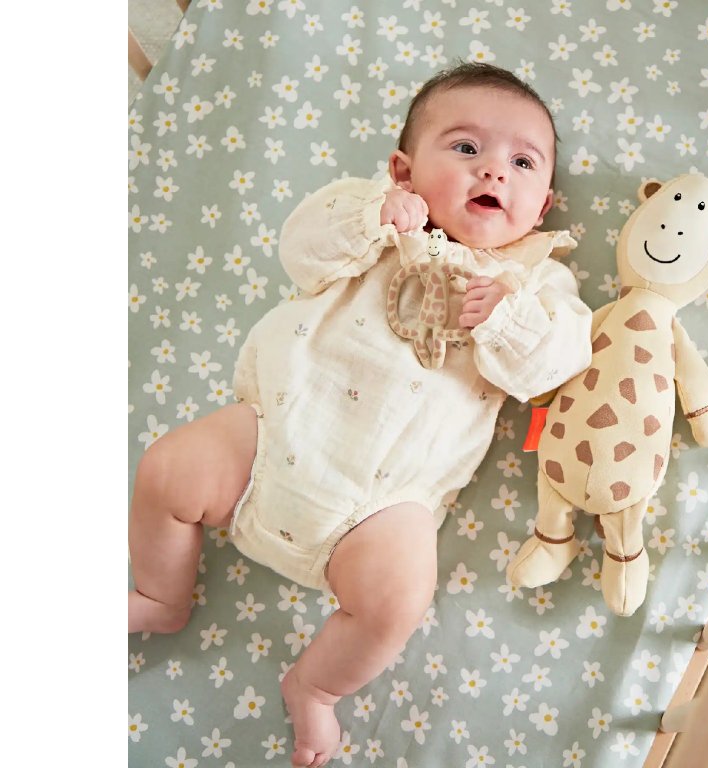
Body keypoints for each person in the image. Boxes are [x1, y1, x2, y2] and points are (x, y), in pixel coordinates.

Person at [128, 62, 593, 768]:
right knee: (168, 469)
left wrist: (509, 319)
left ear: (545, 205)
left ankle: (314, 687)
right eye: (466, 148)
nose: (493, 171)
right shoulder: (374, 218)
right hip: (273, 430)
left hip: (382, 503)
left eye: (522, 162)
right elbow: (299, 250)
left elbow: (556, 364)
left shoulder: (534, 280)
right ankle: (161, 596)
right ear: (404, 169)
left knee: (397, 601)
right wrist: (370, 217)